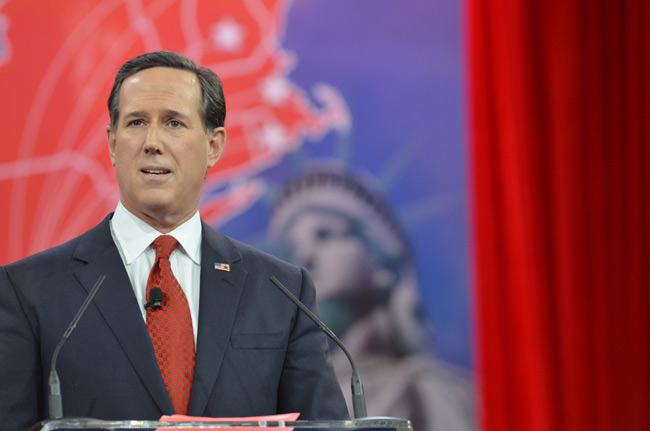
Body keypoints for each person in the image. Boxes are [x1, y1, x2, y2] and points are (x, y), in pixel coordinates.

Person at [0, 51, 348, 431]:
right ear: (113, 144)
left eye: (173, 123)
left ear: (213, 146)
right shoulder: (28, 291)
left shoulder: (282, 292)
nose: (152, 142)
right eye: (136, 123)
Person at [268, 167, 475, 431]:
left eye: (324, 234)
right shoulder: (285, 410)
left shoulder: (437, 393)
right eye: (292, 253)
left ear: (382, 262)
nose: (305, 257)